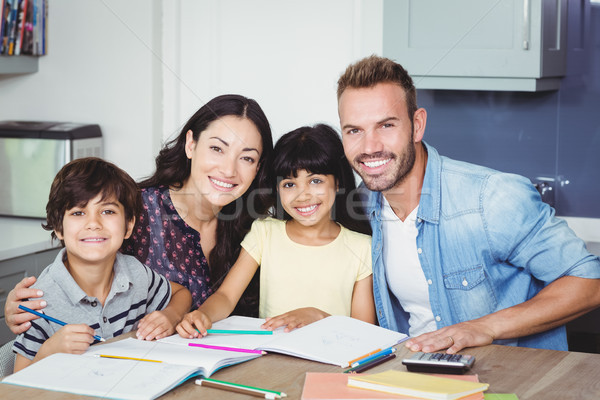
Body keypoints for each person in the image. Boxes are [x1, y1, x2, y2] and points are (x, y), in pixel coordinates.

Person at [336, 55, 600, 353]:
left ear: (417, 125)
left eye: (385, 125)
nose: (370, 147)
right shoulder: (363, 202)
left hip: (506, 384)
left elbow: (589, 282)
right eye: (354, 130)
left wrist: (483, 327)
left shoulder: (491, 198)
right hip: (410, 380)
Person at [5, 94, 274, 335]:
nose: (229, 170)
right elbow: (77, 265)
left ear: (258, 167)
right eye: (217, 148)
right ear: (190, 144)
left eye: (246, 158)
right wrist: (26, 304)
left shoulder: (257, 225)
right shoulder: (134, 210)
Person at [176, 124, 376, 337]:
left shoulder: (362, 246)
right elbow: (226, 296)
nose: (303, 195)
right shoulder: (265, 233)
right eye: (289, 184)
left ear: (337, 183)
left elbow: (363, 332)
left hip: (332, 362)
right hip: (272, 359)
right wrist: (202, 314)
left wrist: (320, 317)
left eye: (315, 181)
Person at [12, 157, 192, 372]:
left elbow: (181, 294)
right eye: (78, 213)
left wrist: (171, 315)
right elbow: (16, 384)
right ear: (58, 227)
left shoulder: (136, 274)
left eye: (107, 211)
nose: (94, 224)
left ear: (128, 226)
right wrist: (50, 352)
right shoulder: (40, 300)